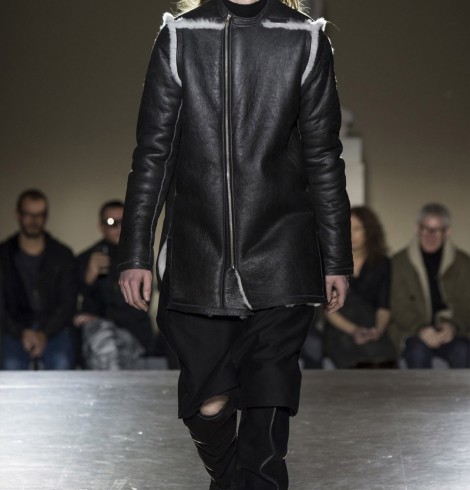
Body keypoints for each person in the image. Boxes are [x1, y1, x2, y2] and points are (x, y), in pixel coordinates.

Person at [118, 0, 352, 488]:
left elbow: (324, 157)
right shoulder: (181, 36)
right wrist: (135, 251)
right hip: (196, 255)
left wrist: (336, 258)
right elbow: (154, 154)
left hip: (282, 252)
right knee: (209, 405)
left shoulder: (304, 38)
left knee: (269, 400)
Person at [0, 189, 76, 370]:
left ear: (46, 216)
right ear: (18, 215)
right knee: (11, 366)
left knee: (61, 362)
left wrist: (44, 333)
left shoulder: (62, 255)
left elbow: (68, 302)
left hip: (54, 328)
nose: (34, 220)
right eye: (28, 214)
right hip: (13, 328)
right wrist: (21, 332)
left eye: (39, 215)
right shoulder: (3, 255)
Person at [75, 201, 154, 369]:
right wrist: (88, 277)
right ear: (102, 227)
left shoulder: (140, 259)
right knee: (102, 339)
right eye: (112, 223)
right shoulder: (87, 258)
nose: (119, 227)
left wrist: (102, 320)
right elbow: (73, 302)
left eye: (123, 222)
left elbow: (142, 305)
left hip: (133, 333)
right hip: (98, 335)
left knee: (105, 341)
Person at [389, 203, 470, 368]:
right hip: (412, 331)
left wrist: (453, 326)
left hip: (452, 331)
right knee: (417, 352)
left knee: (462, 350)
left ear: (447, 232)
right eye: (425, 229)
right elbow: (398, 305)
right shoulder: (398, 263)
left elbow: (466, 303)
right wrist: (421, 329)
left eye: (436, 230)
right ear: (417, 229)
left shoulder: (463, 263)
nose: (430, 236)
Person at [323, 206, 396, 368]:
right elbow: (328, 309)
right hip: (341, 329)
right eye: (347, 228)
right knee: (353, 360)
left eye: (357, 229)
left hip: (371, 326)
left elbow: (384, 305)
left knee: (383, 361)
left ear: (369, 231)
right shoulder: (332, 262)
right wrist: (354, 330)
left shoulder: (381, 263)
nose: (351, 234)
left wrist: (378, 330)